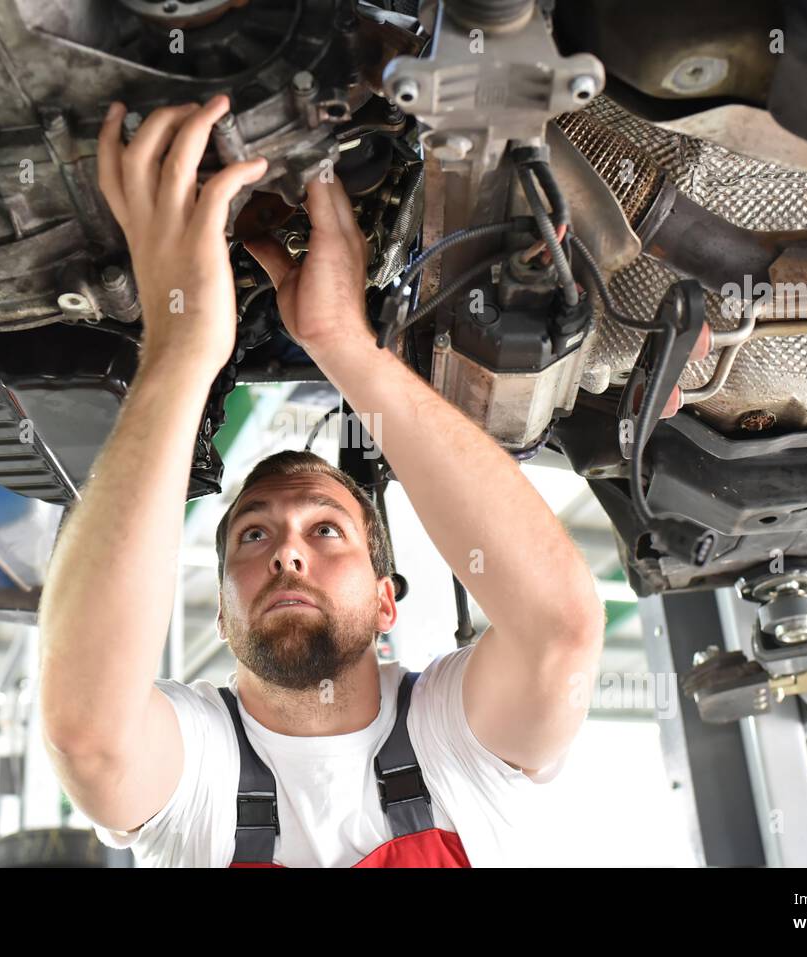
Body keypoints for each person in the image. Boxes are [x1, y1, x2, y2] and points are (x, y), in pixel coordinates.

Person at [38, 93, 605, 867]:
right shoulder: (198, 760)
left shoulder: (453, 735)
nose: (286, 552)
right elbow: (93, 738)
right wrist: (185, 349)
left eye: (326, 528)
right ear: (223, 616)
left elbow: (558, 634)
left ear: (384, 600)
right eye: (254, 534)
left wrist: (334, 345)